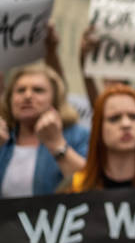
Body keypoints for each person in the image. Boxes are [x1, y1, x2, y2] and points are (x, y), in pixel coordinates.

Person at [0, 65, 89, 197]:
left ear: (55, 99)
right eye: (20, 90)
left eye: (38, 90)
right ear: (10, 100)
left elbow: (90, 187)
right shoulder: (3, 138)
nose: (28, 96)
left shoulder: (79, 135)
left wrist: (56, 144)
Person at [67, 84, 135, 192]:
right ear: (99, 127)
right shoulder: (75, 187)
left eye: (134, 117)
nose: (126, 124)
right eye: (114, 118)